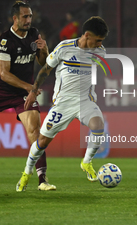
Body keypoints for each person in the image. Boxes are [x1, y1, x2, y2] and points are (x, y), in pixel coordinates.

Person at [0, 1, 56, 191]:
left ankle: (42, 180)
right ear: (14, 18)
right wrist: (31, 87)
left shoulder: (33, 33)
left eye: (30, 16)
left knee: (35, 132)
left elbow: (42, 61)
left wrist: (44, 49)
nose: (28, 20)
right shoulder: (5, 40)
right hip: (2, 91)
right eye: (25, 16)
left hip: (23, 94)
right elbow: (4, 74)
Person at [16, 16, 109, 192]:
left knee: (98, 125)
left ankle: (86, 162)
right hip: (63, 104)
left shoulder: (100, 52)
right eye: (98, 40)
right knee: (42, 141)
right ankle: (26, 173)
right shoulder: (64, 48)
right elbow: (45, 70)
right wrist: (34, 90)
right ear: (87, 35)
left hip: (85, 101)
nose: (100, 45)